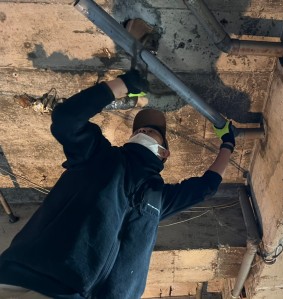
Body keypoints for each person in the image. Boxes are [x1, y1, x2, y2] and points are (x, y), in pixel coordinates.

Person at [0, 70, 235, 299]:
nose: (143, 129)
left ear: (164, 154)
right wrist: (125, 84)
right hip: (32, 280)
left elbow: (206, 186)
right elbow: (66, 119)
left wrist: (228, 143)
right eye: (142, 129)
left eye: (152, 131)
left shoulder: (158, 198)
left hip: (36, 288)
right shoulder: (97, 155)